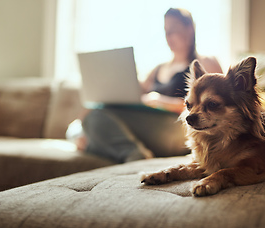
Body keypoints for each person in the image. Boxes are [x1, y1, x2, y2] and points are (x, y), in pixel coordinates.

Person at [69, 8, 222, 163]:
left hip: (177, 126)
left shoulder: (205, 62)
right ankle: (121, 149)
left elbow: (214, 105)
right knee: (84, 121)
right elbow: (135, 96)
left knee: (93, 119)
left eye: (173, 30)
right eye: (165, 31)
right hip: (147, 124)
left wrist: (161, 101)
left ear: (189, 29)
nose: (168, 37)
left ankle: (130, 153)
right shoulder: (157, 69)